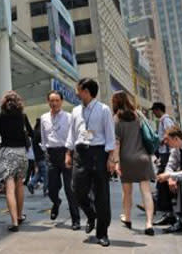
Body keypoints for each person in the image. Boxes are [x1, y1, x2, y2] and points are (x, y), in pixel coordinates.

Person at [65, 78, 115, 247]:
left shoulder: (104, 109)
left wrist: (111, 158)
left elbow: (110, 135)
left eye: (78, 90)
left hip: (99, 153)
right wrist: (68, 153)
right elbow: (72, 133)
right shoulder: (75, 110)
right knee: (77, 189)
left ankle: (102, 233)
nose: (76, 93)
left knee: (102, 194)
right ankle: (91, 214)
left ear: (86, 91)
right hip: (80, 153)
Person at [111, 91, 155, 236]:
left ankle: (128, 218)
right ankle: (149, 223)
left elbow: (116, 143)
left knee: (127, 192)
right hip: (143, 157)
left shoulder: (116, 119)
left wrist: (116, 162)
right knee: (146, 192)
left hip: (126, 159)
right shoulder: (138, 115)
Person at [0, 91, 32, 232]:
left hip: (7, 152)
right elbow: (32, 133)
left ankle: (14, 222)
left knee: (9, 188)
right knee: (20, 184)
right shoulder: (22, 117)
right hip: (21, 153)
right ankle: (19, 216)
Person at [41, 90, 80, 230]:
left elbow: (74, 137)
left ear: (61, 102)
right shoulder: (44, 117)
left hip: (66, 153)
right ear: (48, 102)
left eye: (57, 100)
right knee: (51, 188)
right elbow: (43, 138)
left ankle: (76, 219)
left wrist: (70, 153)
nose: (54, 103)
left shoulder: (69, 117)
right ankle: (56, 202)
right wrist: (46, 153)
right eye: (52, 100)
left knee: (70, 189)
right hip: (51, 155)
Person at [151, 102, 177, 226]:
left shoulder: (165, 120)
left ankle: (169, 213)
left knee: (162, 183)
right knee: (162, 184)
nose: (153, 113)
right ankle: (168, 213)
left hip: (166, 154)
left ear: (158, 110)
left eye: (154, 110)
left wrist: (161, 141)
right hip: (164, 154)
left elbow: (170, 134)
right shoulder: (164, 120)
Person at [27, 118, 48, 197]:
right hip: (42, 156)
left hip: (37, 156)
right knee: (46, 174)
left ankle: (31, 183)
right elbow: (44, 145)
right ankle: (46, 189)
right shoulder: (40, 133)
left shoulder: (34, 132)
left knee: (39, 173)